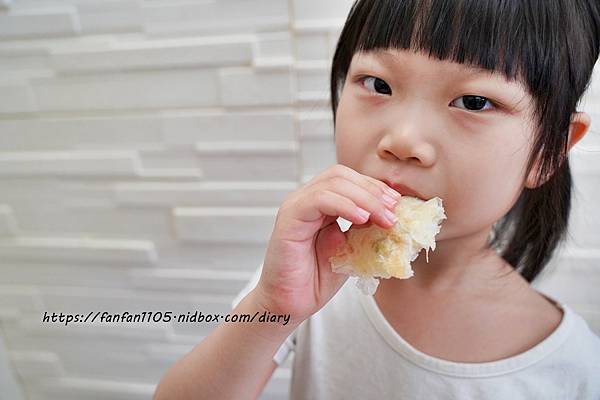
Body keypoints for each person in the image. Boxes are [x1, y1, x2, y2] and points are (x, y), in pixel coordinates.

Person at [154, 0, 600, 398]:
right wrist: (271, 309)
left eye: (474, 101)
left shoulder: (575, 369)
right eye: (379, 84)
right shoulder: (309, 277)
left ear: (551, 149)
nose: (403, 140)